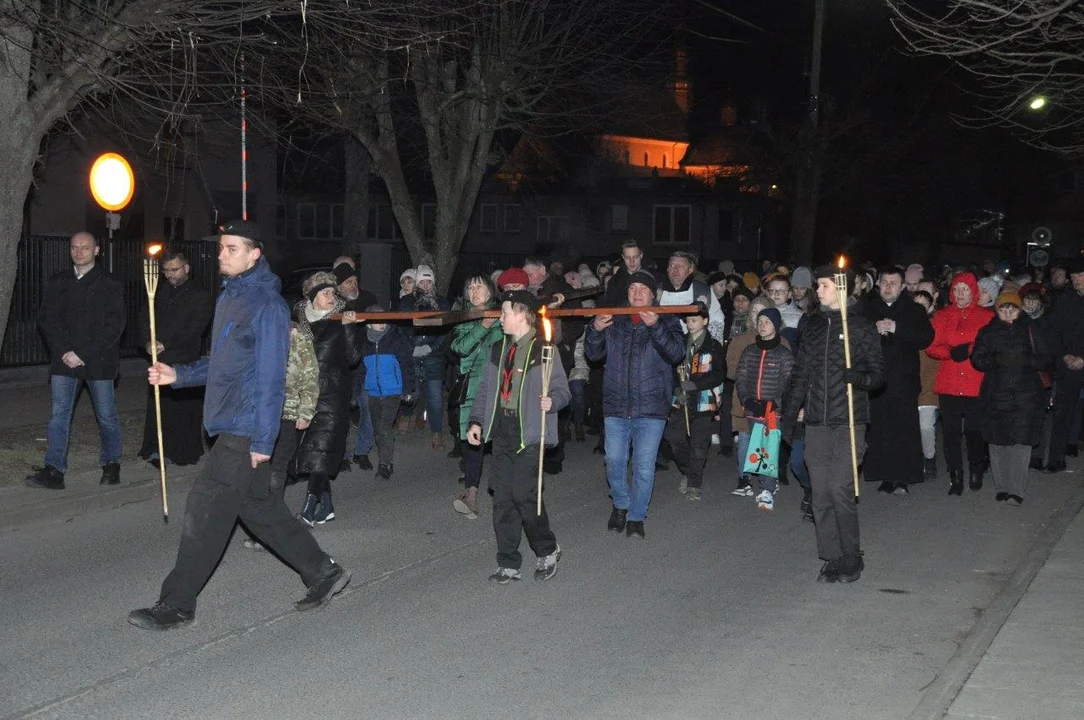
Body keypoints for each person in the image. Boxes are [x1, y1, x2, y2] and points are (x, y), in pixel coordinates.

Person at [128, 220, 349, 631]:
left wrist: (263, 440)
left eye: (232, 248)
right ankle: (323, 572)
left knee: (205, 508)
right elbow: (222, 363)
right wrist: (178, 374)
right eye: (221, 248)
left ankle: (177, 604)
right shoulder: (231, 298)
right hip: (233, 420)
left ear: (255, 254)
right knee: (260, 508)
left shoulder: (266, 305)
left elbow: (270, 377)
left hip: (246, 426)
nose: (222, 254)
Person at [782, 266, 883, 584]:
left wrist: (861, 377)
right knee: (821, 492)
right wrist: (787, 415)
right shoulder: (812, 325)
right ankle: (832, 556)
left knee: (840, 489)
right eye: (818, 286)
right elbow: (800, 373)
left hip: (848, 421)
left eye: (824, 285)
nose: (818, 290)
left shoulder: (861, 326)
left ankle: (852, 555)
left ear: (841, 288)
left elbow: (878, 374)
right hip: (816, 421)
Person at [466, 290, 570, 584]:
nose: (500, 319)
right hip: (502, 431)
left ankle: (547, 550)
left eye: (505, 313)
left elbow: (563, 390)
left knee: (525, 496)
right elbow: (485, 390)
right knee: (502, 498)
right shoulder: (497, 350)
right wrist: (476, 420)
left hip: (530, 432)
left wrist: (553, 401)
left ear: (523, 314)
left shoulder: (544, 350)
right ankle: (509, 563)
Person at [585, 270, 685, 539]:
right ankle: (620, 504)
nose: (638, 293)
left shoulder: (668, 319)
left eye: (643, 288)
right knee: (614, 461)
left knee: (643, 466)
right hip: (616, 404)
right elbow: (593, 354)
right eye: (633, 288)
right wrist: (594, 330)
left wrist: (656, 327)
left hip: (651, 406)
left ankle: (637, 516)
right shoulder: (614, 319)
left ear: (653, 294)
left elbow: (676, 352)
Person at [26, 232, 125, 490]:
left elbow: (113, 325)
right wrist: (64, 351)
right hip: (64, 361)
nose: (79, 251)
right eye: (74, 247)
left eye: (85, 247)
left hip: (98, 361)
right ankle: (54, 470)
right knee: (59, 416)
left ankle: (111, 464)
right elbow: (47, 320)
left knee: (106, 416)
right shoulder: (58, 281)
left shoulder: (110, 283)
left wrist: (82, 353)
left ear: (97, 250)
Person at [293, 271, 363, 526]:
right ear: (312, 297)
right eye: (325, 293)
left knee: (322, 449)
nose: (331, 297)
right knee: (313, 450)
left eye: (333, 292)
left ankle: (309, 508)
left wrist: (350, 329)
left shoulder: (341, 320)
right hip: (305, 396)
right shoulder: (298, 323)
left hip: (333, 395)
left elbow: (354, 357)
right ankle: (327, 507)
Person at [245, 320, 319, 552]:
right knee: (257, 472)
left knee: (277, 471)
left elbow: (310, 375)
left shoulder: (297, 337)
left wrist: (306, 411)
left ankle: (272, 532)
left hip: (287, 413)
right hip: (260, 413)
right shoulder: (257, 335)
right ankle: (265, 528)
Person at [970, 292, 1050, 505]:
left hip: (1026, 395)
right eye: (1003, 309)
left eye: (1012, 309)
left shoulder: (1031, 329)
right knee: (997, 442)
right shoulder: (988, 332)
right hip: (996, 393)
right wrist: (995, 360)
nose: (1007, 313)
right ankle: (1002, 487)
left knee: (1020, 442)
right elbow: (977, 359)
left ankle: (1016, 490)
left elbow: (1045, 358)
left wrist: (1027, 360)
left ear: (1019, 309)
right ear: (996, 310)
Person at [862, 266, 934, 494]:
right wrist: (873, 330)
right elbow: (857, 338)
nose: (888, 287)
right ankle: (885, 475)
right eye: (884, 282)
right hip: (877, 380)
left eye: (893, 283)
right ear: (878, 284)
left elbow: (925, 337)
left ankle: (902, 477)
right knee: (880, 428)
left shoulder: (914, 310)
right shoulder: (868, 309)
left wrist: (897, 328)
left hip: (903, 379)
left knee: (903, 429)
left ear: (902, 287)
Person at [137, 250, 213, 469]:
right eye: (166, 270)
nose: (169, 274)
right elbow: (144, 319)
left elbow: (195, 327)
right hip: (158, 356)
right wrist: (147, 342)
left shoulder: (199, 294)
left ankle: (179, 451)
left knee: (181, 408)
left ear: (186, 268)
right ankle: (155, 447)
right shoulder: (159, 291)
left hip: (183, 357)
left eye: (174, 269)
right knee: (159, 405)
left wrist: (166, 344)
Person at [926, 272, 994, 495]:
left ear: (973, 291)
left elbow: (991, 343)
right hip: (950, 382)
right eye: (957, 289)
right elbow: (931, 346)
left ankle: (976, 468)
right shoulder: (943, 316)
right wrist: (949, 352)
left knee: (975, 430)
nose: (961, 293)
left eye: (966, 289)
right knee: (951, 433)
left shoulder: (986, 316)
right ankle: (956, 476)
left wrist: (971, 349)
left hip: (976, 382)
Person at [449, 275, 503, 518]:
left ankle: (506, 493)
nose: (474, 291)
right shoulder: (463, 318)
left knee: (504, 443)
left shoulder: (505, 315)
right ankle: (471, 494)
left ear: (490, 290)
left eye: (478, 286)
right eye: (470, 287)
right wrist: (483, 326)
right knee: (474, 444)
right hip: (473, 391)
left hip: (502, 389)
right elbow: (460, 348)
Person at [733, 307, 794, 511]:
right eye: (759, 322)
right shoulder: (750, 351)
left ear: (776, 326)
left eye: (766, 322)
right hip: (753, 408)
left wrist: (775, 403)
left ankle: (766, 488)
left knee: (767, 448)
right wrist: (747, 400)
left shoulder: (783, 354)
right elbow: (740, 377)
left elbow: (789, 382)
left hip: (772, 410)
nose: (762, 325)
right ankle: (763, 481)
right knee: (755, 447)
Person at [663, 308, 726, 501]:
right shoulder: (680, 343)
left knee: (699, 443)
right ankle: (689, 471)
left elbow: (719, 374)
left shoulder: (713, 346)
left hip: (703, 399)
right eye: (688, 320)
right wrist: (675, 388)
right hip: (681, 398)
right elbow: (669, 368)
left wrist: (696, 384)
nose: (690, 324)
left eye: (694, 320)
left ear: (705, 320)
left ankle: (694, 484)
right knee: (674, 438)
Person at [726, 296, 781, 496]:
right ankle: (744, 477)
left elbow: (787, 374)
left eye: (763, 312)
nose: (759, 317)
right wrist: (748, 376)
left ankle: (768, 480)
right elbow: (731, 368)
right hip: (745, 400)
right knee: (745, 441)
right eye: (754, 312)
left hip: (769, 403)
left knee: (767, 443)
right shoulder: (741, 341)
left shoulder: (780, 342)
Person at [358, 304, 415, 480]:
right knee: (377, 428)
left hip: (393, 392)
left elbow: (407, 365)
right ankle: (384, 459)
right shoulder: (365, 344)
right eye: (377, 321)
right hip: (373, 392)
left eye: (384, 319)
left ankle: (385, 464)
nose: (382, 324)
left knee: (384, 428)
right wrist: (354, 393)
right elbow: (360, 371)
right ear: (368, 324)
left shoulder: (395, 340)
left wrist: (407, 389)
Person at [396, 265, 450, 444]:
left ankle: (436, 432)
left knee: (435, 396)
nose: (426, 285)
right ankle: (406, 415)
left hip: (434, 355)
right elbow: (401, 329)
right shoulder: (407, 302)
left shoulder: (442, 302)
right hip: (411, 353)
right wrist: (410, 348)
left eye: (429, 281)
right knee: (413, 392)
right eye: (422, 281)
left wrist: (432, 348)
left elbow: (446, 330)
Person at [334, 257, 378, 473]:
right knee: (341, 412)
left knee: (367, 409)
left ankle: (362, 452)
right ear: (338, 287)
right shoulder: (332, 304)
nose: (353, 285)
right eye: (348, 282)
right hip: (341, 365)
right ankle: (341, 455)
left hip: (366, 361)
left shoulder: (369, 298)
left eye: (354, 280)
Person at [658, 250, 727, 345]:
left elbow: (717, 320)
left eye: (680, 266)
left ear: (690, 270)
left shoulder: (702, 291)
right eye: (672, 266)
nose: (675, 270)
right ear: (667, 269)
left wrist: (711, 346)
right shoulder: (656, 292)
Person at [913, 290, 940, 479]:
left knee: (925, 426)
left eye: (924, 305)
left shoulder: (936, 328)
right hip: (908, 385)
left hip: (929, 385)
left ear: (931, 307)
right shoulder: (903, 327)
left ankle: (929, 458)